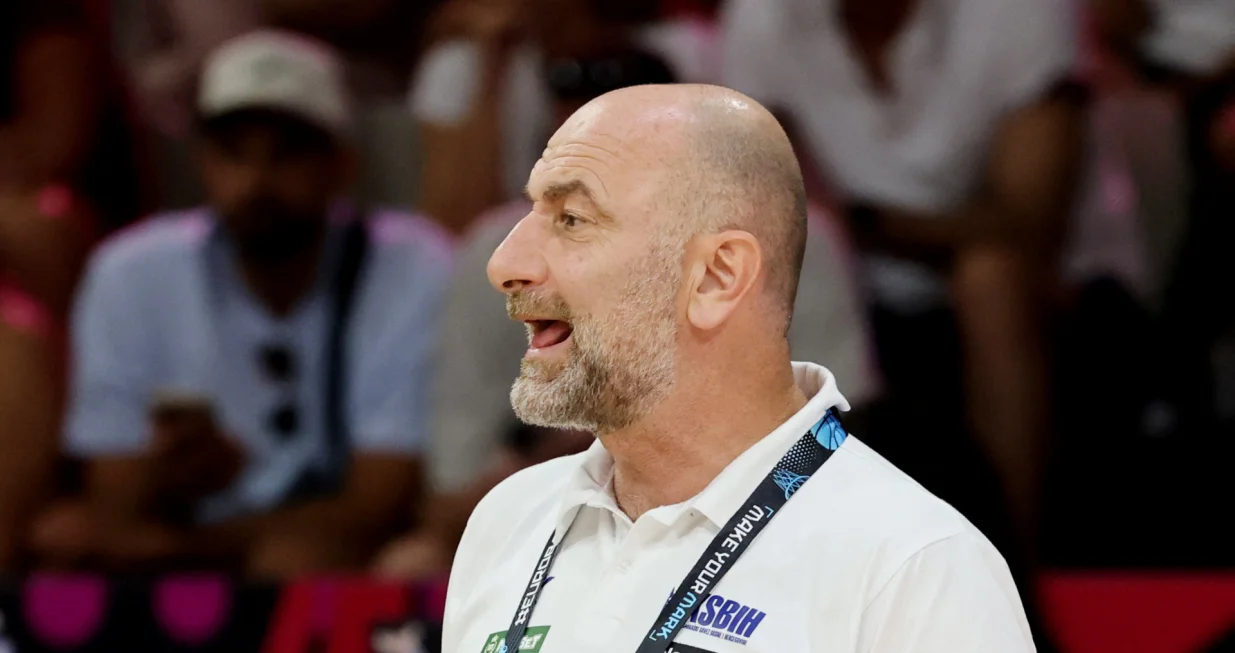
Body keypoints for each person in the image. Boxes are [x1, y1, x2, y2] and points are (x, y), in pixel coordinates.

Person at [443, 84, 1032, 653]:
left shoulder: (913, 562)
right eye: (531, 212)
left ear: (717, 276)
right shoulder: (508, 519)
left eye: (572, 218)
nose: (505, 263)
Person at [31, 30, 452, 578]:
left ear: (342, 165)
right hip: (192, 534)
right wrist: (161, 476)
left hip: (324, 552)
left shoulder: (412, 264)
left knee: (302, 559)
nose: (257, 180)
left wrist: (182, 546)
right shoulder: (130, 270)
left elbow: (379, 501)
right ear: (201, 162)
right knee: (61, 539)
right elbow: (113, 498)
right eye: (234, 152)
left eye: (287, 153)